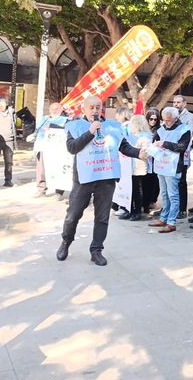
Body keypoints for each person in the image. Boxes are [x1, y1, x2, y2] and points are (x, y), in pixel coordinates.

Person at [56, 96, 145, 266]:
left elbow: (124, 146)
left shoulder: (112, 126)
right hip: (83, 180)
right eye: (91, 107)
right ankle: (66, 242)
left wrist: (138, 153)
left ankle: (96, 250)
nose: (95, 110)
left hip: (106, 179)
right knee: (72, 215)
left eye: (98, 107)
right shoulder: (75, 126)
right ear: (84, 109)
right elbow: (72, 148)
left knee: (102, 217)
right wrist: (90, 132)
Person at [147, 107, 191, 233]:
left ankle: (171, 222)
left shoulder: (184, 129)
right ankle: (164, 217)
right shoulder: (161, 129)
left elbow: (182, 147)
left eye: (169, 120)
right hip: (161, 165)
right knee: (164, 194)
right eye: (164, 120)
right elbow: (154, 142)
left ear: (176, 118)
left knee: (173, 195)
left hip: (174, 166)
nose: (166, 123)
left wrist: (165, 143)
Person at [27, 102, 67, 198]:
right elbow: (37, 131)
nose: (54, 110)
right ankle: (41, 189)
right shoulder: (44, 119)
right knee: (41, 170)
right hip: (42, 147)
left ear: (61, 109)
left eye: (57, 108)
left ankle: (59, 191)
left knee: (58, 170)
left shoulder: (66, 120)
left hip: (58, 149)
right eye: (52, 108)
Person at [119, 115, 154, 221]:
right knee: (130, 188)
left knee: (136, 189)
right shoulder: (131, 135)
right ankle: (129, 209)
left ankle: (137, 211)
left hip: (138, 165)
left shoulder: (145, 136)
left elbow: (147, 152)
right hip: (129, 165)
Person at [172, 96, 193, 219]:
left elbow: (188, 133)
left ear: (184, 103)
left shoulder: (191, 117)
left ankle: (181, 209)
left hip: (182, 153)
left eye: (179, 102)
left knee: (181, 181)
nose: (176, 104)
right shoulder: (170, 114)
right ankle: (171, 207)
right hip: (169, 153)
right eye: (174, 102)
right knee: (170, 182)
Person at [0, 97, 17, 188]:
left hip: (9, 140)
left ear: (6, 104)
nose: (0, 106)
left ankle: (8, 180)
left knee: (9, 162)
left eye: (2, 103)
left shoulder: (11, 113)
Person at [143, 108, 161, 212]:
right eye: (151, 119)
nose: (153, 121)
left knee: (153, 181)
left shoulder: (159, 130)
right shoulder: (143, 129)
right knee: (144, 181)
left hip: (155, 159)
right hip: (144, 158)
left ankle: (151, 200)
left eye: (155, 119)